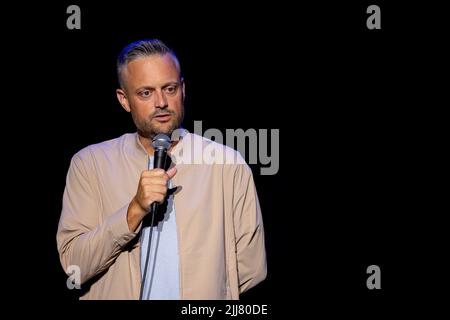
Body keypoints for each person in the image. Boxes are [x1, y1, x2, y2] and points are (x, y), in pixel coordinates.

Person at [56, 39, 266, 299]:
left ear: (183, 89)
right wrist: (134, 210)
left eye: (169, 88)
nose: (161, 102)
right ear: (124, 100)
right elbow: (74, 266)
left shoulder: (226, 165)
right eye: (145, 93)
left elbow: (249, 269)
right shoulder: (90, 164)